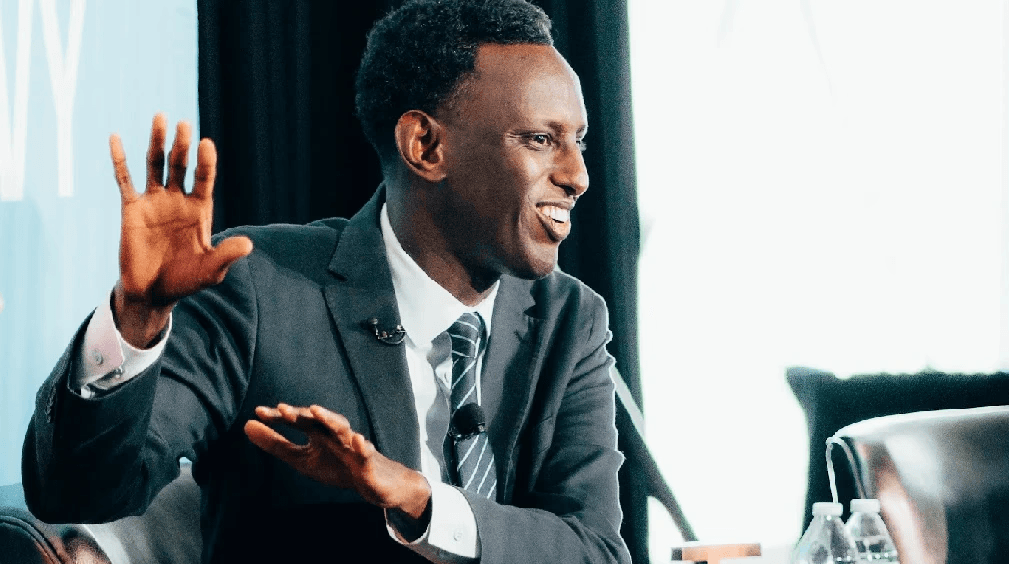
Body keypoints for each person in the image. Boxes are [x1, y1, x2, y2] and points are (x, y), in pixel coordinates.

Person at [22, 1, 631, 562]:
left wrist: (421, 502)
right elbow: (79, 492)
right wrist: (137, 318)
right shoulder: (259, 289)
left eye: (577, 142)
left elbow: (596, 550)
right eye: (541, 140)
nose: (577, 176)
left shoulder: (569, 320)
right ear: (425, 146)